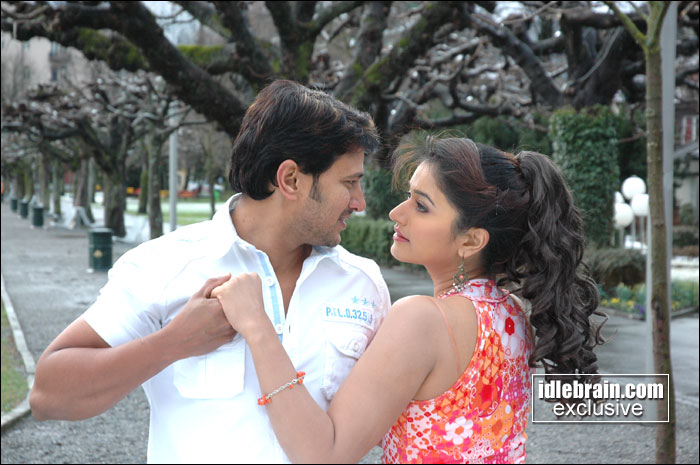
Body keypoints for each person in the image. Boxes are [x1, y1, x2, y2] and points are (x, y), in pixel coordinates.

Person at [29, 80, 391, 463]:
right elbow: (46, 396)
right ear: (290, 180)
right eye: (349, 183)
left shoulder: (364, 284)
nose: (360, 203)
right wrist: (173, 342)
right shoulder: (163, 266)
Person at [212, 136, 605, 463]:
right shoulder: (512, 315)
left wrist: (258, 328)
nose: (396, 213)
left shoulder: (424, 321)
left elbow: (323, 455)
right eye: (408, 197)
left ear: (471, 240)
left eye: (421, 206)